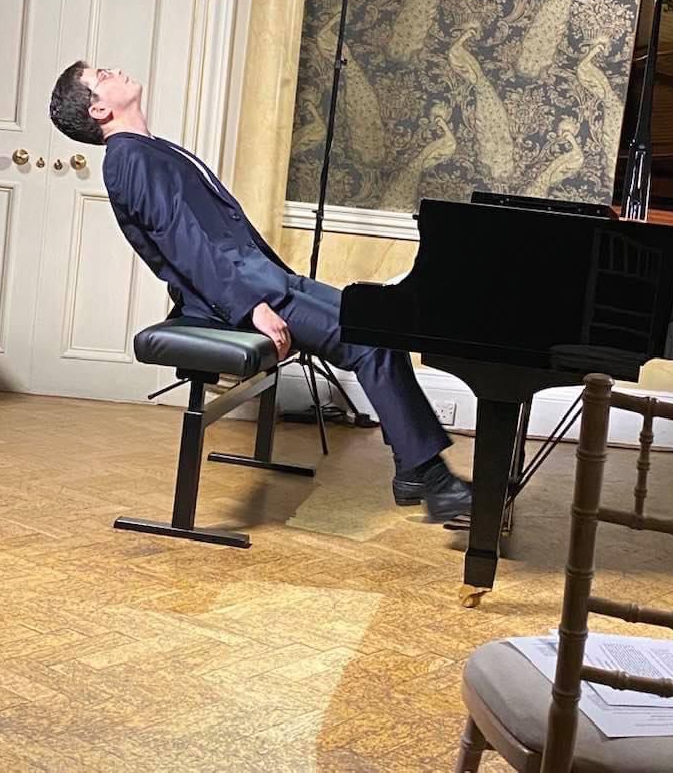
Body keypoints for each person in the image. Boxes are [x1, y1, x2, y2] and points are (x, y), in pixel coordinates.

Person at [49, 61, 472, 521]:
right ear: (98, 109)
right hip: (239, 294)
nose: (114, 70)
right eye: (101, 75)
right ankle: (432, 479)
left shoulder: (146, 148)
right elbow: (185, 245)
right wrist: (251, 308)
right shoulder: (129, 157)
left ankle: (416, 469)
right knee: (367, 342)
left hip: (263, 278)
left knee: (377, 325)